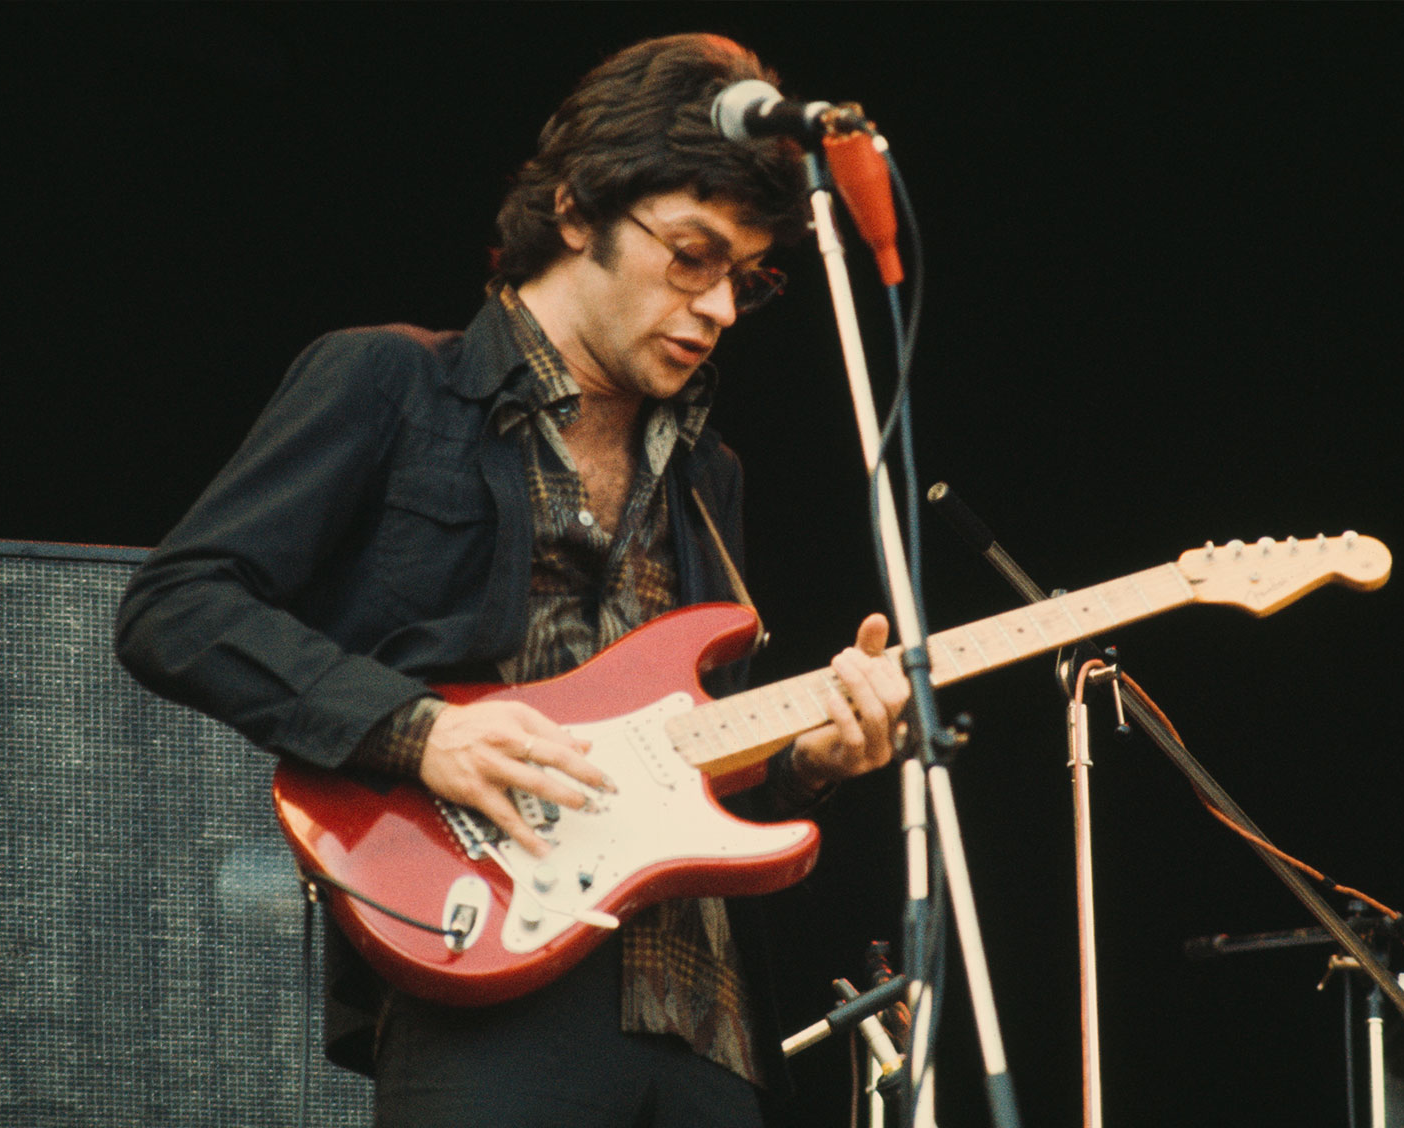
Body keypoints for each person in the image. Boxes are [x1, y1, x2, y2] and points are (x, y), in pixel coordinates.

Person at [114, 32, 909, 1128]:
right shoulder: (393, 381)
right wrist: (418, 730)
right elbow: (177, 605)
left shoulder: (711, 474)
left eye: (746, 278)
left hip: (706, 1010)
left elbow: (679, 758)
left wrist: (808, 763)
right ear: (578, 212)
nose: (721, 307)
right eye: (691, 255)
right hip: (479, 963)